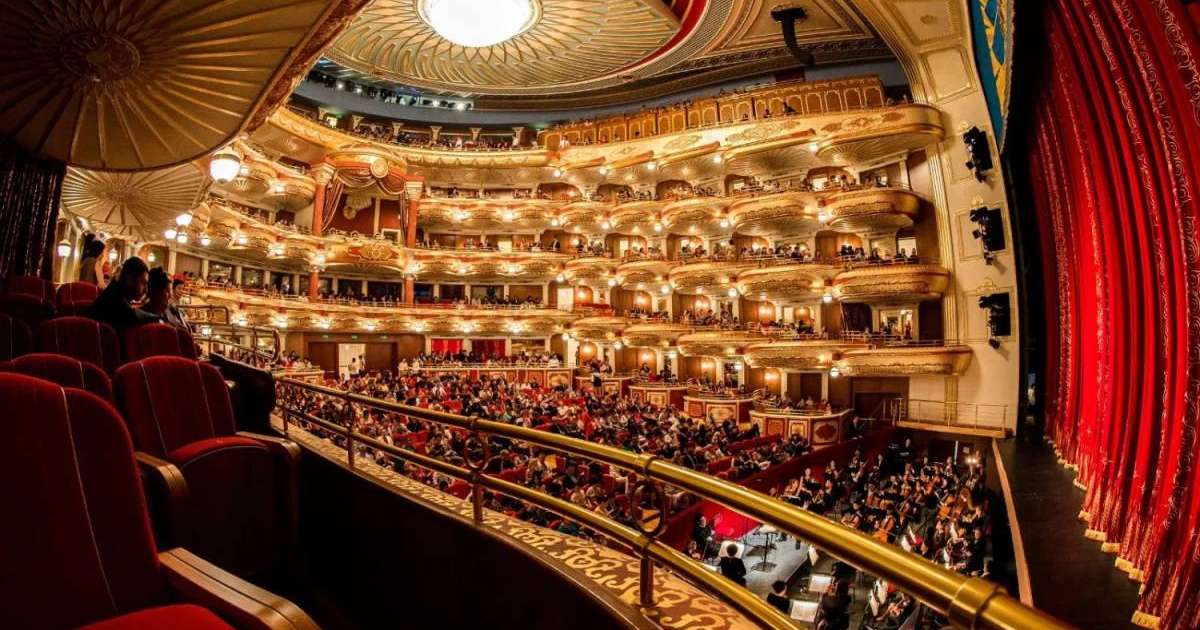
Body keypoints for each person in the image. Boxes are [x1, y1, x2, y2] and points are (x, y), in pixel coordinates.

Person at [89, 257, 160, 332]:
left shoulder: (116, 290)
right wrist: (157, 318)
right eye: (143, 282)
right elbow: (132, 316)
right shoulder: (115, 298)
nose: (146, 290)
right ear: (129, 279)